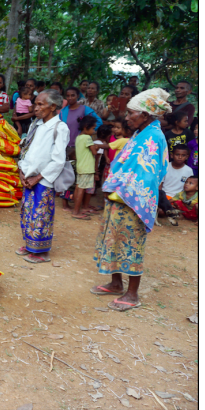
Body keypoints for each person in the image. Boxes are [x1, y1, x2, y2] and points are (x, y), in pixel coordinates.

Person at [91, 88, 170, 311]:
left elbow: (148, 175)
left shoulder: (153, 136)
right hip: (119, 197)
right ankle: (116, 283)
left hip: (133, 201)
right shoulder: (141, 133)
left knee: (131, 244)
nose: (126, 118)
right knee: (114, 240)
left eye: (131, 113)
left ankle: (132, 294)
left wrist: (117, 188)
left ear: (145, 115)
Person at [17, 89, 69, 264]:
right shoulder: (36, 124)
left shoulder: (59, 128)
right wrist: (22, 172)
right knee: (28, 212)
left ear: (53, 107)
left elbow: (58, 160)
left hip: (44, 180)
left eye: (40, 104)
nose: (35, 108)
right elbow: (27, 150)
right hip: (29, 176)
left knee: (41, 214)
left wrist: (37, 177)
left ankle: (42, 252)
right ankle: (30, 244)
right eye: (35, 104)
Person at [71, 116, 104, 220]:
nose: (94, 131)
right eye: (93, 128)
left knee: (78, 187)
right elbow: (94, 152)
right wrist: (97, 147)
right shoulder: (87, 138)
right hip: (87, 168)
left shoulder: (78, 137)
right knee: (81, 189)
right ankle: (76, 212)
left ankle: (76, 209)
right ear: (86, 127)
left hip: (80, 166)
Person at [157, 144, 193, 222]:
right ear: (172, 155)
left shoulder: (188, 170)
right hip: (165, 196)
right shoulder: (166, 167)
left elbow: (190, 187)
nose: (180, 157)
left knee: (178, 206)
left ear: (187, 156)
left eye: (183, 155)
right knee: (161, 211)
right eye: (177, 154)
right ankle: (170, 210)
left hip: (178, 198)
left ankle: (172, 210)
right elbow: (160, 185)